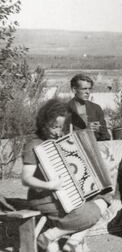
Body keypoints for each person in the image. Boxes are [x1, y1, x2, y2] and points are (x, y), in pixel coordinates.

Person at [21, 99, 110, 252]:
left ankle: (68, 241)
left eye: (60, 128)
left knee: (106, 199)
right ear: (43, 122)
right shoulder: (33, 145)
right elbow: (26, 178)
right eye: (54, 127)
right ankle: (55, 237)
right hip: (43, 199)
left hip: (65, 197)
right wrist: (49, 185)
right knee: (93, 212)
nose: (57, 132)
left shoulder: (58, 142)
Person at [67, 74, 110, 141]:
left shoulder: (96, 108)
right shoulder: (66, 109)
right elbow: (63, 136)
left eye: (89, 89)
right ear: (74, 90)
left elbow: (106, 136)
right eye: (84, 89)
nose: (88, 92)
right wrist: (85, 130)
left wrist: (99, 129)